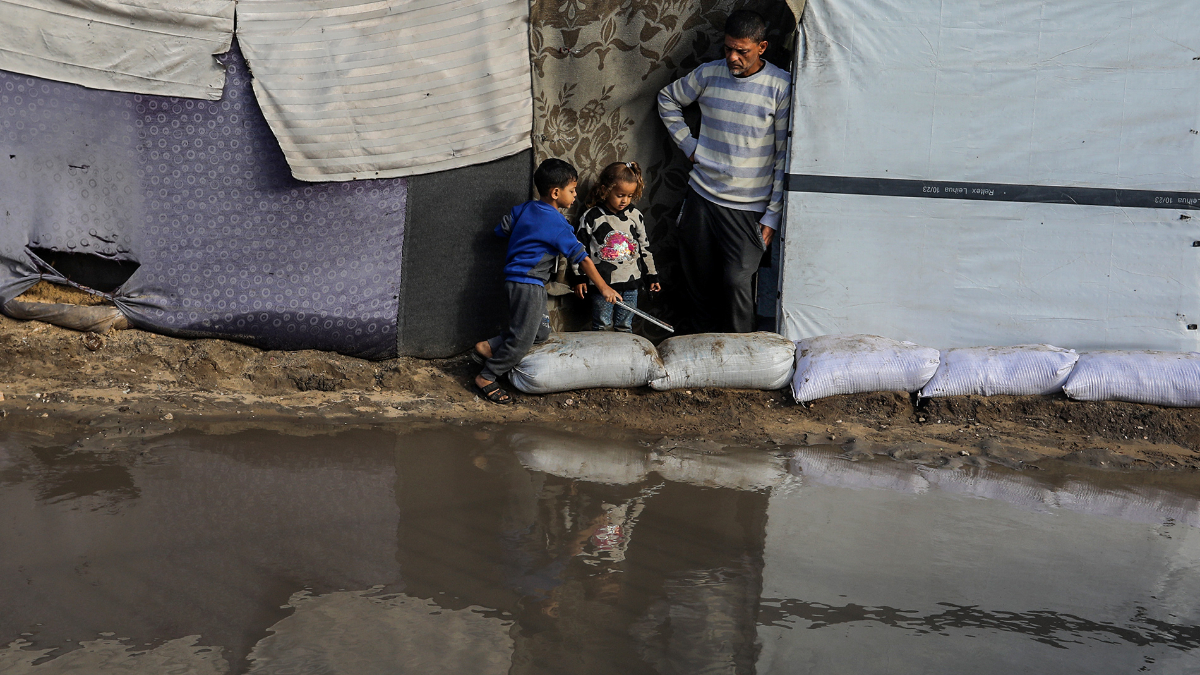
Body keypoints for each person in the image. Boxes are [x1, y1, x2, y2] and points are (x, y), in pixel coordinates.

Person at [657, 9, 791, 333]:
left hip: (748, 208)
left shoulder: (780, 86)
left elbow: (785, 156)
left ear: (762, 47)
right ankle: (702, 357)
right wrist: (689, 146)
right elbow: (667, 99)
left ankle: (741, 362)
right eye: (728, 48)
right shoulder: (708, 74)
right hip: (702, 196)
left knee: (735, 284)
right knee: (698, 282)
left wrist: (772, 216)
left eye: (741, 51)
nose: (732, 57)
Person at [472, 159, 620, 404]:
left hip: (522, 282)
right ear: (555, 192)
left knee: (539, 333)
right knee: (522, 340)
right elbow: (582, 259)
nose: (575, 196)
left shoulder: (524, 209)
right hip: (528, 284)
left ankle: (488, 347)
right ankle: (487, 376)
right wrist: (604, 287)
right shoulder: (558, 225)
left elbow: (502, 229)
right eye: (572, 191)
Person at [570, 161, 662, 333]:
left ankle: (624, 359)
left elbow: (644, 248)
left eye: (629, 195)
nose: (625, 200)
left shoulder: (635, 215)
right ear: (605, 190)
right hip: (602, 285)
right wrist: (579, 277)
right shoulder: (592, 217)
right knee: (602, 326)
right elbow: (578, 250)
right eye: (620, 195)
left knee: (624, 326)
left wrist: (652, 275)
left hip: (631, 284)